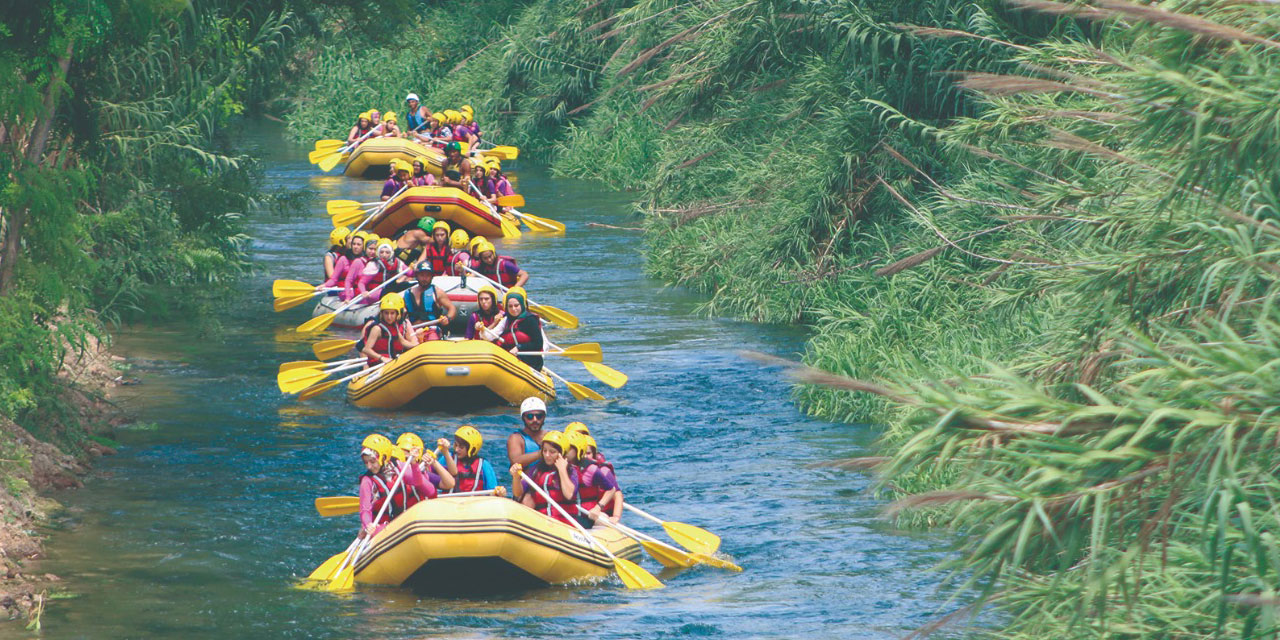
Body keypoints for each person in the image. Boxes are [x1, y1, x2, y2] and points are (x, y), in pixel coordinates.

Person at [358, 434, 437, 540]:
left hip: (403, 520)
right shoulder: (367, 481)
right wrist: (368, 525)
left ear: (384, 457)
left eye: (372, 462)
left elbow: (418, 482)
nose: (369, 466)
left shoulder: (399, 466)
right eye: (366, 462)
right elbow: (365, 509)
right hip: (384, 526)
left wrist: (414, 464)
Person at [510, 431, 578, 525]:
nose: (547, 455)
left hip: (564, 524)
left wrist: (562, 470)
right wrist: (516, 478)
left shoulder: (571, 471)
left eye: (552, 452)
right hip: (543, 523)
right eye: (544, 450)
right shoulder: (536, 470)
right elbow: (517, 493)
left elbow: (569, 494)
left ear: (561, 453)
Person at [569, 432, 622, 527]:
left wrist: (616, 516)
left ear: (594, 454)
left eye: (588, 453)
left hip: (595, 513)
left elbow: (616, 493)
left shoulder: (601, 470)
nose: (585, 456)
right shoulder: (565, 468)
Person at [359, 294, 420, 367]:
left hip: (391, 361)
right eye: (386, 313)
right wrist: (382, 358)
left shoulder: (395, 326)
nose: (389, 317)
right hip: (378, 363)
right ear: (382, 313)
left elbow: (403, 342)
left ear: (397, 314)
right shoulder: (377, 328)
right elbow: (366, 349)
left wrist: (418, 346)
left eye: (392, 313)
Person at [438, 426, 502, 494]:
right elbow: (433, 478)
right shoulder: (447, 459)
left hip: (473, 502)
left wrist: (500, 492)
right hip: (448, 501)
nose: (456, 449)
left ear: (472, 450)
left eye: (461, 447)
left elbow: (493, 491)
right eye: (456, 445)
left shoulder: (484, 465)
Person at [402, 263, 457, 341]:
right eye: (422, 275)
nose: (424, 278)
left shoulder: (437, 292)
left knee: (432, 339)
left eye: (427, 276)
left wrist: (447, 318)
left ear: (431, 277)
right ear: (417, 276)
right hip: (413, 330)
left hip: (432, 329)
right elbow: (402, 312)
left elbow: (452, 308)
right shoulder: (408, 294)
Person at [497, 286, 544, 370]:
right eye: (510, 306)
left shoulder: (530, 320)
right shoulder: (507, 320)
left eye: (516, 305)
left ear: (522, 305)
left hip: (531, 362)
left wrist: (519, 347)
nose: (513, 309)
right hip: (514, 360)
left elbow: (538, 344)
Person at [507, 396, 548, 467]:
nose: (535, 420)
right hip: (526, 477)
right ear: (523, 418)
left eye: (539, 416)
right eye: (530, 416)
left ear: (544, 417)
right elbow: (515, 462)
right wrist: (542, 453)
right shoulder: (516, 438)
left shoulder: (549, 436)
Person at [339, 232, 378, 301]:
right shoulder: (358, 262)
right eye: (370, 249)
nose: (372, 252)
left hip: (374, 295)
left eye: (375, 249)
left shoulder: (381, 263)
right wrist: (348, 297)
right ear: (365, 248)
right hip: (360, 296)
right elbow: (348, 280)